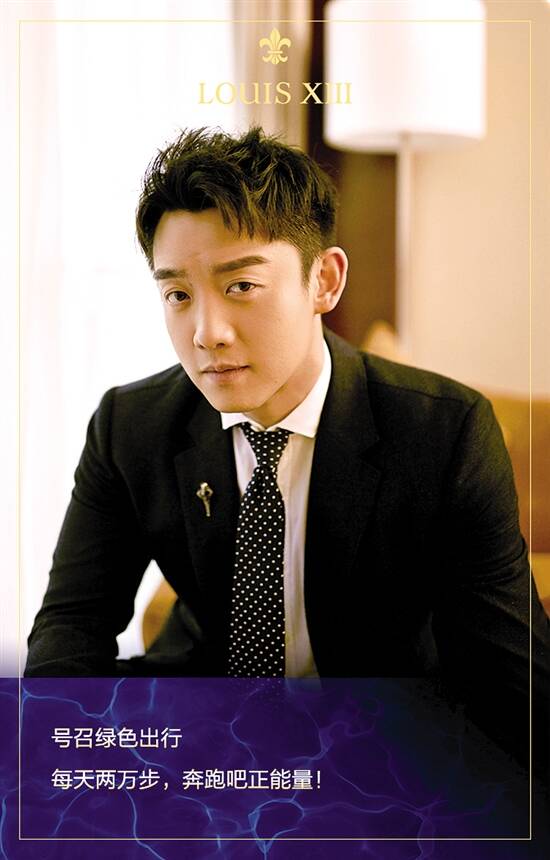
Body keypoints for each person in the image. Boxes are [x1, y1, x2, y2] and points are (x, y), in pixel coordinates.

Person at [25, 127, 549, 772]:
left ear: (323, 280)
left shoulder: (443, 433)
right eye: (178, 295)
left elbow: (513, 686)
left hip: (383, 749)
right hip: (206, 731)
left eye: (241, 285)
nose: (206, 333)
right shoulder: (130, 425)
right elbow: (71, 628)